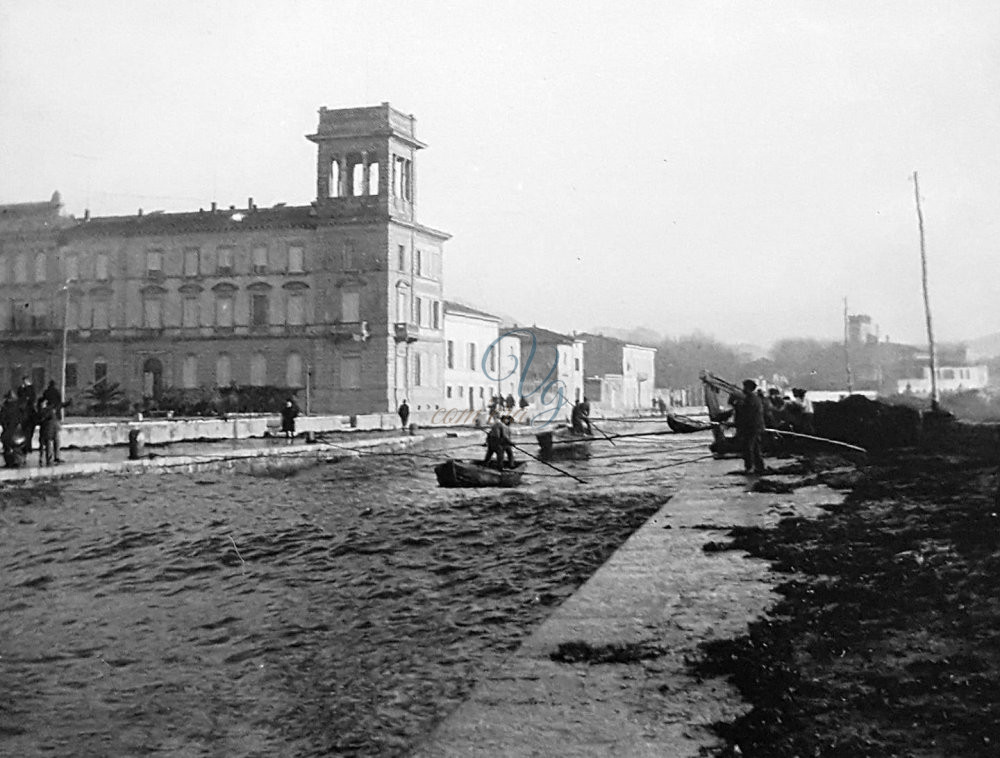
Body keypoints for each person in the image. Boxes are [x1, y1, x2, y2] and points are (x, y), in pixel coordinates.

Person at [735, 379, 766, 475]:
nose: (743, 389)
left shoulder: (750, 399)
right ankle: (759, 466)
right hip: (757, 427)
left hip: (751, 427)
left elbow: (746, 414)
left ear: (748, 388)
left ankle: (750, 467)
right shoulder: (755, 399)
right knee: (756, 447)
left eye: (744, 387)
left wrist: (736, 406)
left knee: (748, 447)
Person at [1, 390, 26, 468]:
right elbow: (23, 418)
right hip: (18, 431)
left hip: (8, 431)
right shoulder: (19, 407)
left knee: (7, 448)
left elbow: (1, 418)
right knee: (17, 448)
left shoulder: (5, 407)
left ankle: (10, 462)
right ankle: (18, 461)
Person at [36, 397, 61, 466]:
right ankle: (48, 459)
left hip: (52, 429)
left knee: (52, 444)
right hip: (48, 430)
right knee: (48, 445)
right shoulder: (46, 411)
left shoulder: (47, 410)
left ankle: (53, 458)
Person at [16, 377, 37, 453]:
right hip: (28, 414)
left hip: (28, 414)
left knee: (27, 432)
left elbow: (27, 398)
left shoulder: (30, 389)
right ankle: (27, 447)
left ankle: (27, 447)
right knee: (27, 432)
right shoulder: (25, 389)